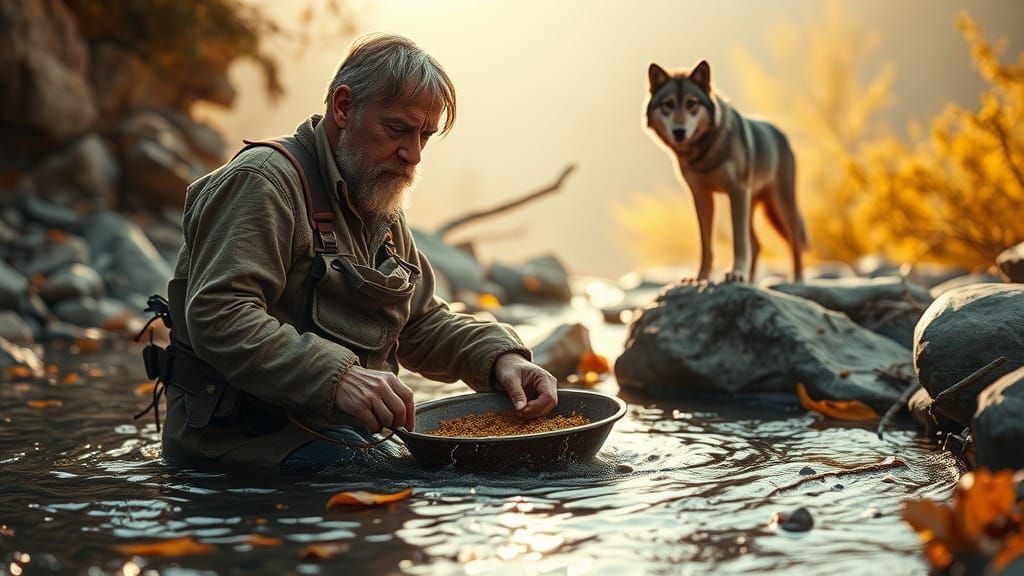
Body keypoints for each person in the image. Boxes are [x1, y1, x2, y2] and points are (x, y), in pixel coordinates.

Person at [155, 33, 558, 472]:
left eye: (425, 135)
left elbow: (420, 322)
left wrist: (502, 358)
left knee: (513, 465)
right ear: (344, 107)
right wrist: (340, 376)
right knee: (413, 478)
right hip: (239, 441)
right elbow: (220, 314)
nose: (413, 154)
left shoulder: (376, 196)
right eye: (398, 129)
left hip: (334, 436)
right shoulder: (262, 183)